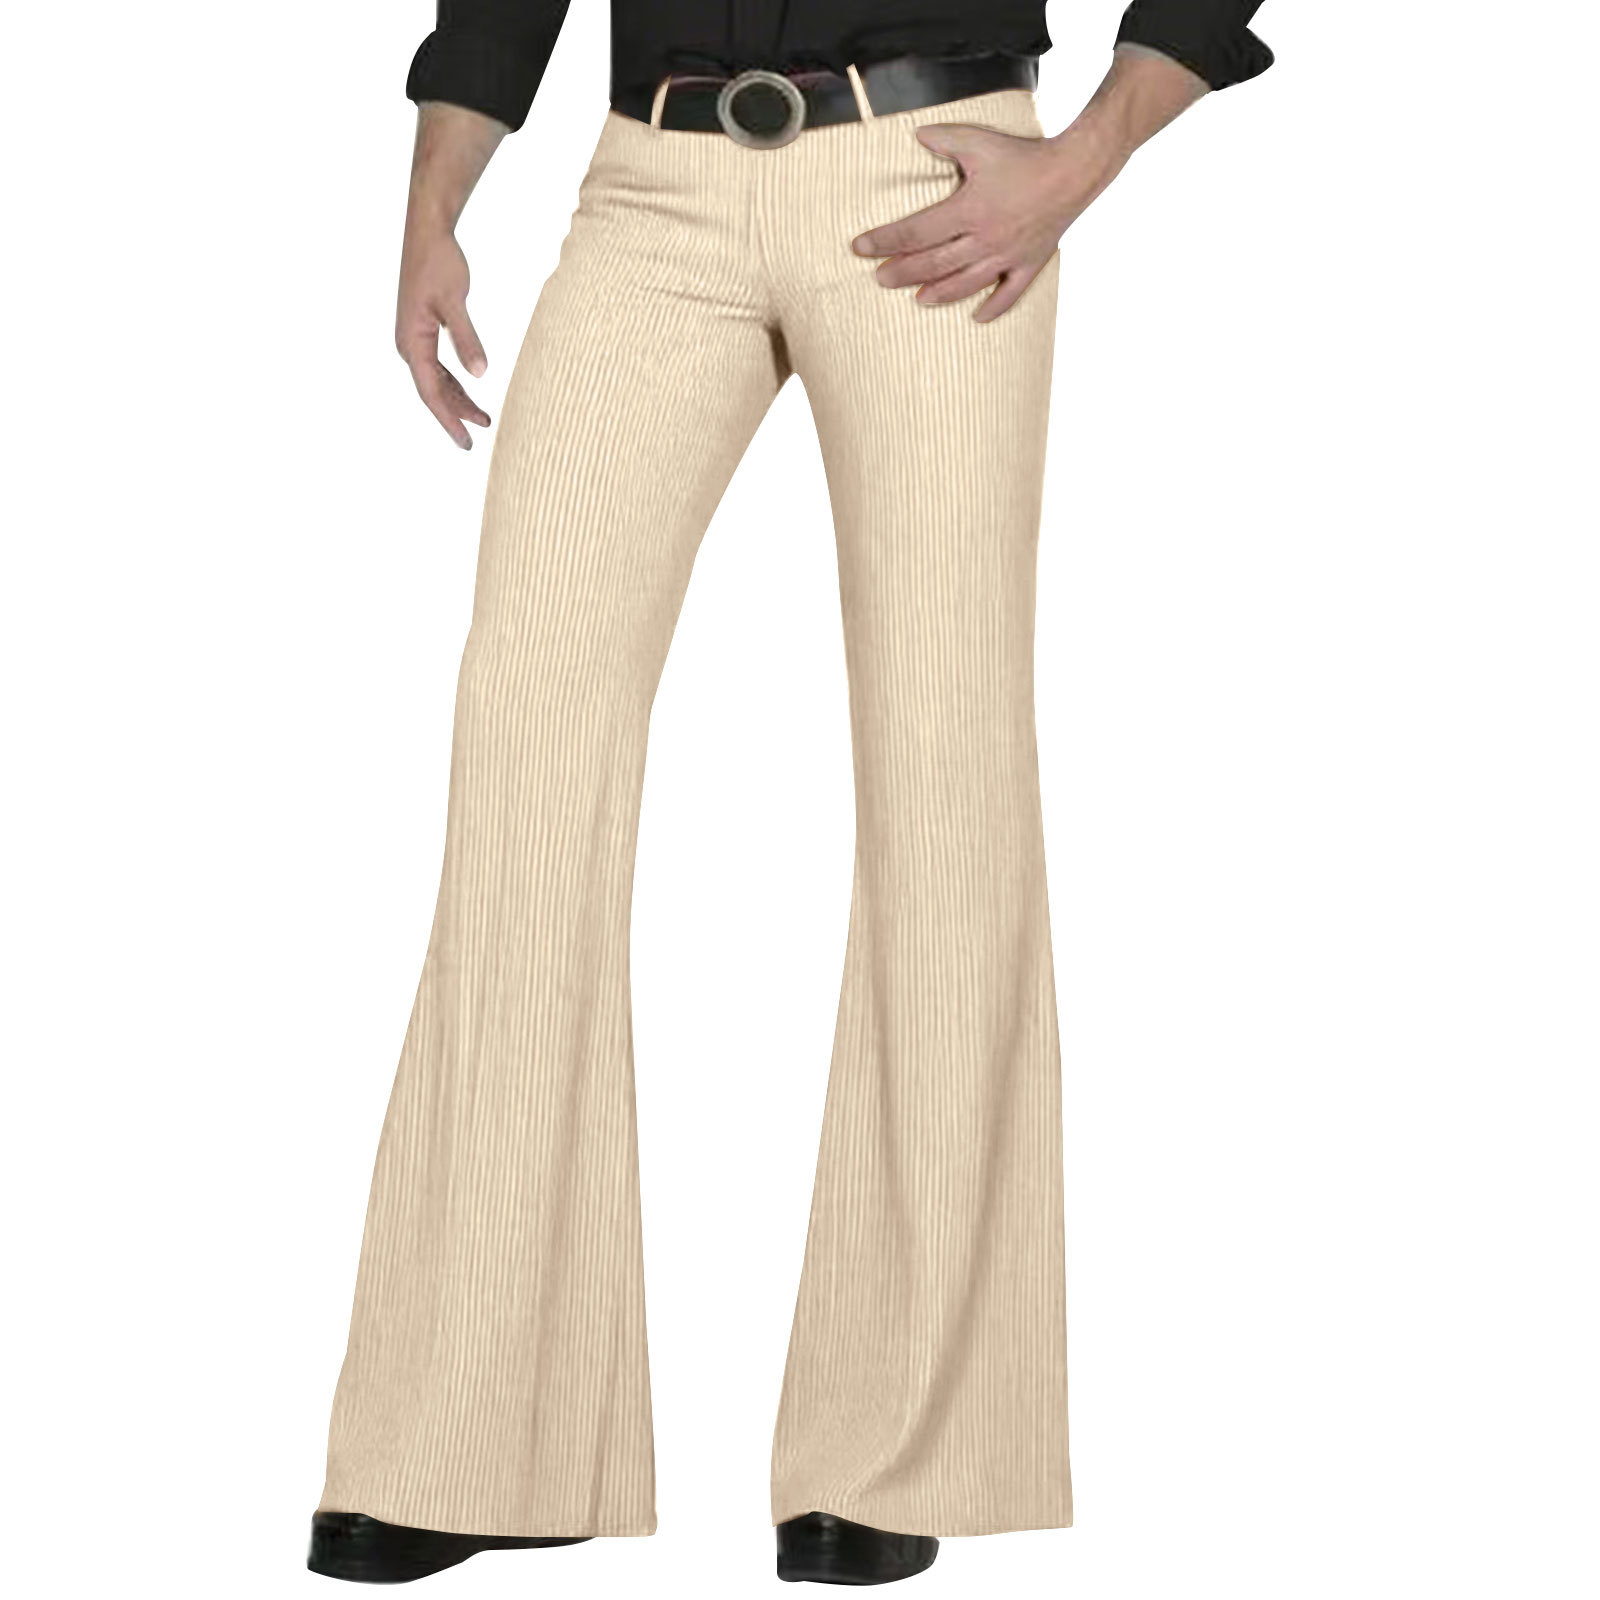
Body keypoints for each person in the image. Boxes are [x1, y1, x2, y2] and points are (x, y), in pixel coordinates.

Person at [307, 0, 1272, 1585]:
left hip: (938, 174)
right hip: (650, 187)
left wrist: (1086, 157)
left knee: (942, 769)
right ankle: (478, 1437)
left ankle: (899, 1449)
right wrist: (435, 201)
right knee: (523, 757)